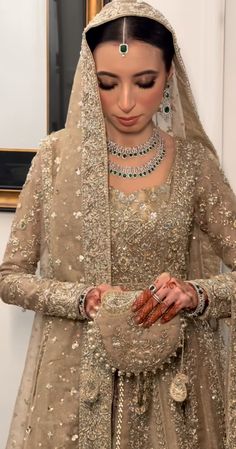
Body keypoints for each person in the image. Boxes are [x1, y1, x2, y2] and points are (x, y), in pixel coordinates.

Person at [0, 0, 235, 448]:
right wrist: (82, 298)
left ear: (168, 77)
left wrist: (195, 293)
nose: (126, 103)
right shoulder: (56, 160)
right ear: (91, 81)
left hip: (173, 389)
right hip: (73, 385)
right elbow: (10, 278)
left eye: (144, 82)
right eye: (108, 84)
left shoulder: (193, 165)